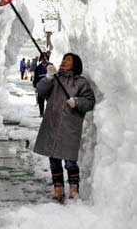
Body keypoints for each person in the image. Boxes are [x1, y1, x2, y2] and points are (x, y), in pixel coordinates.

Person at [33, 53, 95, 202]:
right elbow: (41, 91)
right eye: (64, 59)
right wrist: (48, 77)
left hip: (70, 126)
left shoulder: (81, 83)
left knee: (69, 160)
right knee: (54, 159)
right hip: (52, 123)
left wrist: (77, 102)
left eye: (68, 60)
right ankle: (58, 188)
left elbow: (90, 102)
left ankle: (74, 188)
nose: (64, 62)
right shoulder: (55, 78)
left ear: (75, 64)